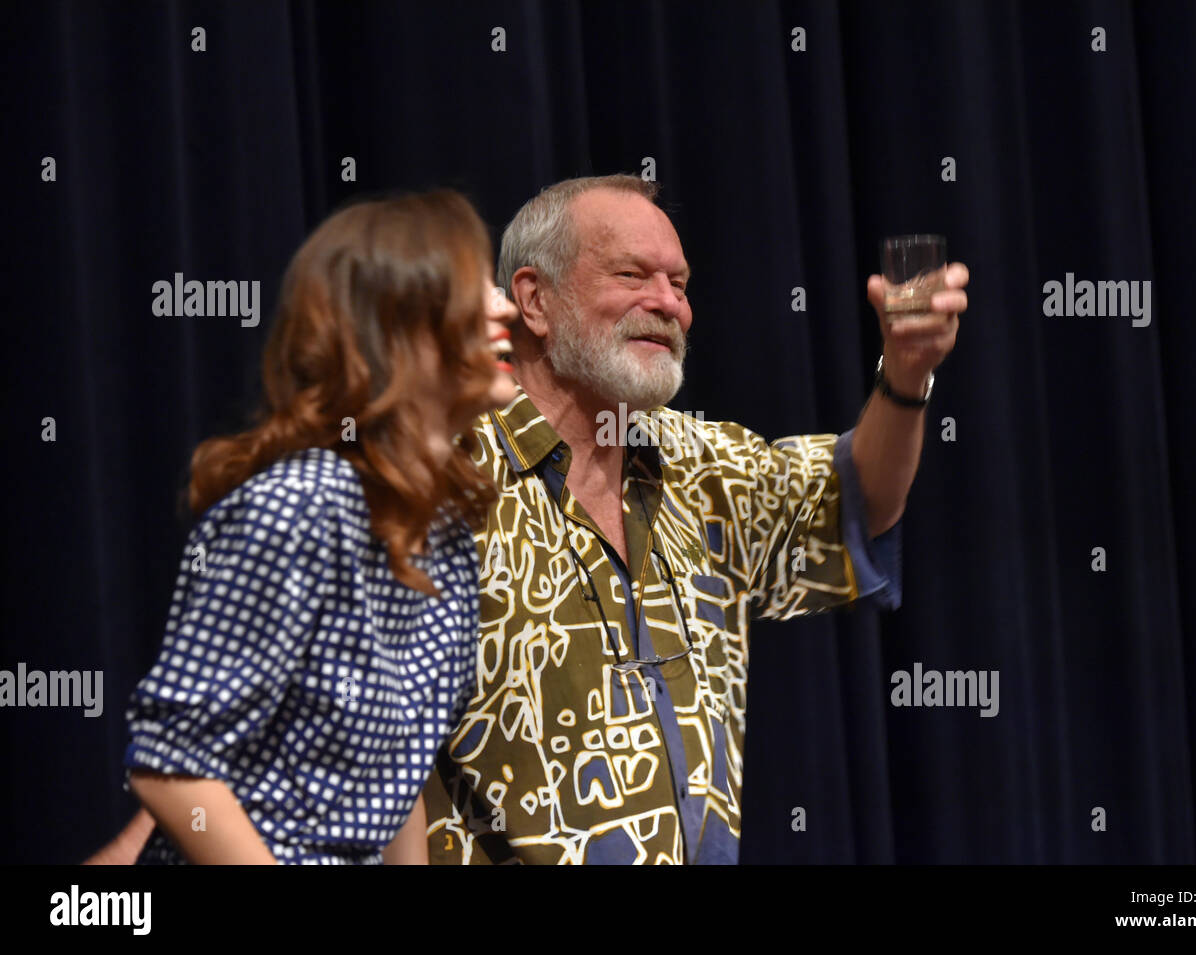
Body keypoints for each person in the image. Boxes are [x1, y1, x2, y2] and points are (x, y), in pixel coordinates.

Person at [421, 174, 965, 864]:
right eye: (632, 275)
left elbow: (856, 499)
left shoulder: (703, 465)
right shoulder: (437, 481)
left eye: (679, 284)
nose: (667, 304)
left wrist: (907, 374)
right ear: (533, 299)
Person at [120, 189, 520, 864]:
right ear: (399, 323)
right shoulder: (303, 504)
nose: (504, 305)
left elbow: (396, 780)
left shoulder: (446, 533)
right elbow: (170, 765)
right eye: (472, 285)